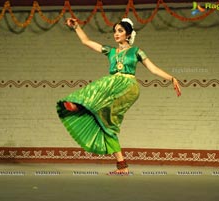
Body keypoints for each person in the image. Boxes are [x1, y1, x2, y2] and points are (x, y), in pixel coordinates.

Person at [56, 18, 181, 175]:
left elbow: (153, 69)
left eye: (120, 31)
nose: (116, 34)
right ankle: (122, 166)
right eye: (115, 31)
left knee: (104, 82)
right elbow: (86, 41)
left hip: (128, 86)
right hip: (113, 86)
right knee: (107, 125)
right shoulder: (111, 51)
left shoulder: (136, 51)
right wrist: (76, 27)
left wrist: (171, 78)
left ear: (128, 34)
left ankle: (80, 104)